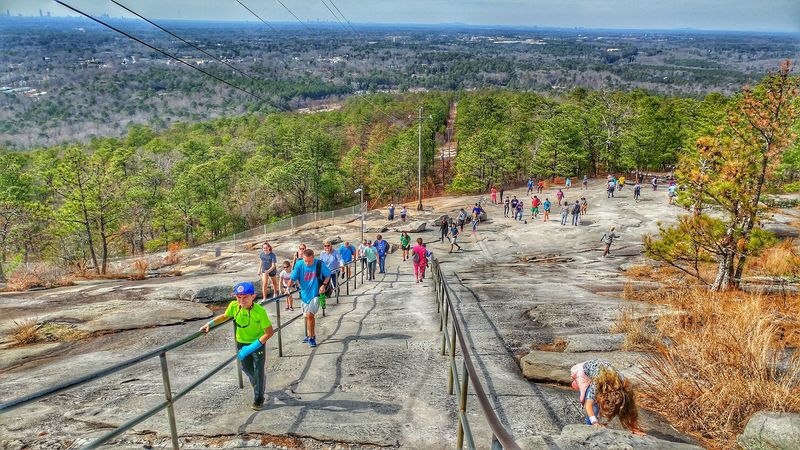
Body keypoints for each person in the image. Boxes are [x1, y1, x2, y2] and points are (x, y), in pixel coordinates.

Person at [200, 282, 274, 410]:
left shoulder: (259, 312)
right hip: (241, 342)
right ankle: (259, 383)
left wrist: (252, 347)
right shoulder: (234, 306)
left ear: (253, 296)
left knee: (258, 371)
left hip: (257, 344)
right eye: (238, 297)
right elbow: (225, 316)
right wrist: (209, 324)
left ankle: (258, 399)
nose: (241, 300)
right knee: (246, 369)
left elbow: (269, 332)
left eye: (245, 297)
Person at [570, 359, 644, 435]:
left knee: (625, 405)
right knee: (588, 401)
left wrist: (634, 428)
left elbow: (629, 410)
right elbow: (588, 405)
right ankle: (589, 426)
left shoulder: (623, 386)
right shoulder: (596, 384)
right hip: (581, 371)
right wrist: (595, 422)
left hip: (603, 370)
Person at [290, 249, 332, 348]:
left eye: (309, 261)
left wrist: (324, 285)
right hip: (304, 295)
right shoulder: (299, 264)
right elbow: (293, 278)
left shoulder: (319, 264)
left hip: (315, 293)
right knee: (307, 316)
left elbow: (328, 275)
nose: (307, 263)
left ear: (313, 257)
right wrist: (288, 288)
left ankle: (310, 337)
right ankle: (311, 334)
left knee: (310, 315)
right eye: (305, 260)